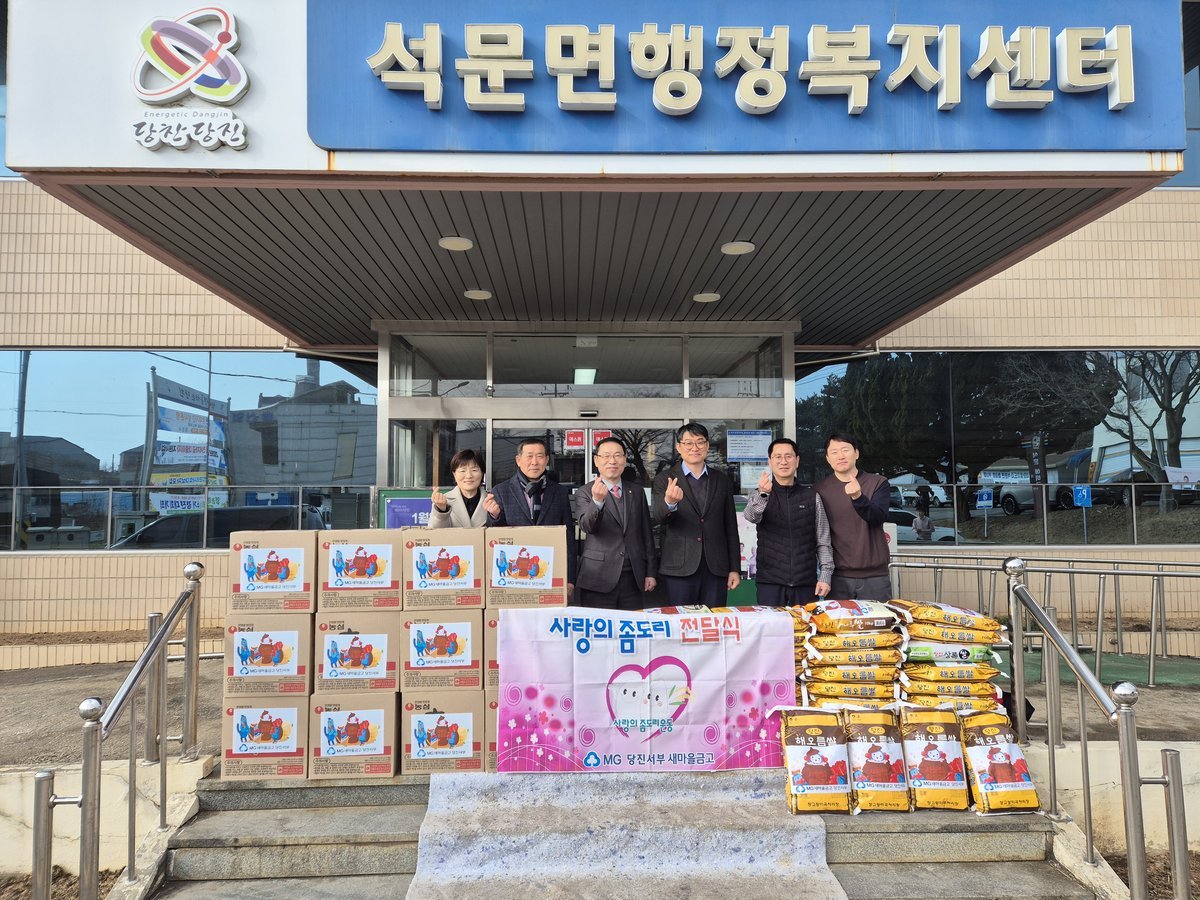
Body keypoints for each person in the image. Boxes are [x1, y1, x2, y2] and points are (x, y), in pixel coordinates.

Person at [651, 422, 740, 605]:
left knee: (713, 619)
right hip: (679, 567)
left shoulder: (721, 480)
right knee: (681, 619)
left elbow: (730, 526)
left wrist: (734, 568)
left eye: (700, 442)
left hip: (716, 567)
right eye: (688, 443)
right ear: (679, 447)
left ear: (707, 446)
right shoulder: (664, 479)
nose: (695, 448)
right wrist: (670, 503)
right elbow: (659, 517)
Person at [742, 438, 833, 607]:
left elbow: (823, 540)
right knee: (771, 624)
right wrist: (763, 494)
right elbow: (751, 516)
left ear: (797, 460)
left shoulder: (811, 496)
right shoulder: (760, 494)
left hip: (805, 582)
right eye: (778, 457)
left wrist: (825, 575)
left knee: (806, 624)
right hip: (770, 582)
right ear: (770, 461)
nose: (783, 461)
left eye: (788, 456)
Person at [572, 437, 656, 610]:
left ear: (625, 460)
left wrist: (650, 572)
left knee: (632, 624)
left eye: (618, 455)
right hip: (598, 578)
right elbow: (587, 526)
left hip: (634, 576)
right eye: (606, 456)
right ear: (596, 460)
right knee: (599, 626)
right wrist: (597, 501)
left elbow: (646, 534)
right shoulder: (585, 492)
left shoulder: (637, 491)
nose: (612, 461)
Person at [484, 438, 576, 595]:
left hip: (550, 570)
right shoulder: (501, 491)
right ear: (518, 460)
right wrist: (495, 515)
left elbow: (569, 538)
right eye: (529, 456)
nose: (534, 462)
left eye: (540, 456)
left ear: (546, 460)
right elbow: (494, 539)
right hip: (515, 574)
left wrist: (570, 579)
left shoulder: (559, 492)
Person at [815, 433, 892, 601]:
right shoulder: (820, 490)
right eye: (834, 452)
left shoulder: (877, 483)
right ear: (828, 459)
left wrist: (858, 497)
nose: (840, 456)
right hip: (837, 577)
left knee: (878, 618)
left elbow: (878, 517)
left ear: (856, 453)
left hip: (875, 576)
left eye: (845, 450)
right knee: (837, 619)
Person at [428, 449, 489, 529]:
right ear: (454, 474)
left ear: (482, 474)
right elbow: (435, 532)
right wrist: (441, 510)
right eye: (463, 471)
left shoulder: (492, 501)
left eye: (474, 470)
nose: (469, 476)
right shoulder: (444, 501)